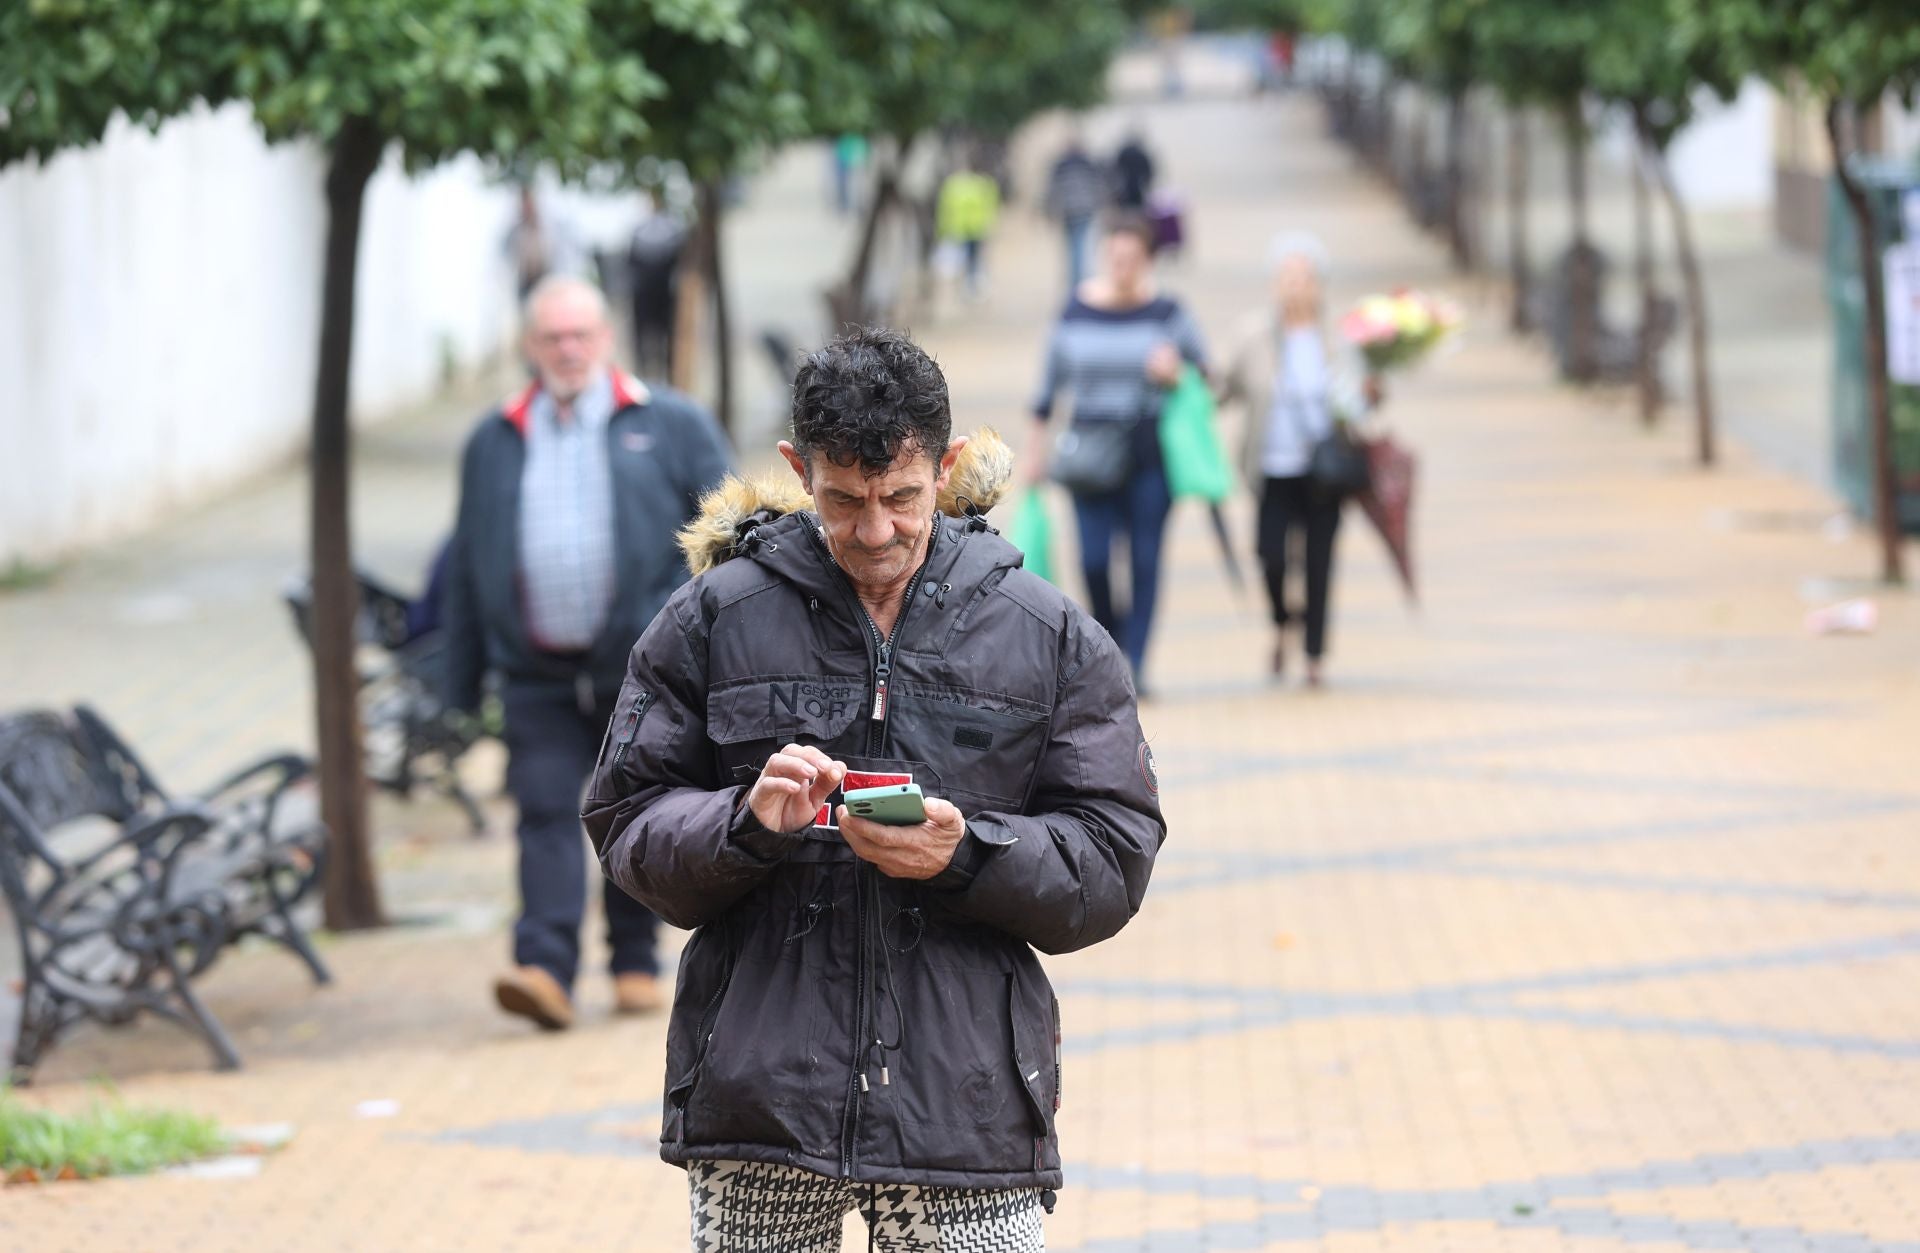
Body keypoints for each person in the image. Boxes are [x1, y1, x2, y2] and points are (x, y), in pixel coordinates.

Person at [582, 326, 1164, 1252]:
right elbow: (627, 816)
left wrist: (967, 853)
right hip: (760, 1094)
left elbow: (1115, 850)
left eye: (901, 496)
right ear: (796, 467)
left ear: (950, 465)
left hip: (965, 1100)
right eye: (843, 500)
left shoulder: (1045, 632)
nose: (876, 530)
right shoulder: (713, 617)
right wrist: (745, 823)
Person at [442, 275, 734, 1029]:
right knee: (542, 807)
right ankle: (544, 964)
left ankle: (633, 959)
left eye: (580, 335)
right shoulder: (493, 440)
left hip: (641, 669)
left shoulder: (668, 423)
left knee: (627, 807)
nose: (567, 349)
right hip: (534, 670)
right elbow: (470, 561)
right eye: (552, 337)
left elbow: (733, 542)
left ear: (606, 338)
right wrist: (460, 680)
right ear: (529, 347)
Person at [1025, 212, 1207, 694]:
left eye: (1133, 258)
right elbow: (1046, 393)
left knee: (1146, 559)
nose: (1123, 265)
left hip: (1150, 454)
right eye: (1115, 256)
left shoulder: (1168, 313)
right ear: (1105, 255)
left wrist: (1178, 374)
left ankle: (1138, 661)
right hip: (1089, 455)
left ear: (1148, 260)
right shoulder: (1074, 312)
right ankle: (1114, 641)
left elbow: (1209, 378)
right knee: (1094, 561)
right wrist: (1034, 457)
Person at [1217, 234, 1377, 687]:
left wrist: (1372, 393)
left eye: (1305, 278)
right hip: (1272, 468)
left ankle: (1313, 655)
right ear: (1275, 284)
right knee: (1270, 556)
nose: (1296, 286)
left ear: (1319, 286)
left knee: (1320, 560)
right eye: (1288, 277)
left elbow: (1360, 402)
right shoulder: (1254, 335)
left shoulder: (1341, 339)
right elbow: (1223, 386)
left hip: (1326, 470)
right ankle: (1282, 620)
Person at [627, 194, 687, 379]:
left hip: (663, 293)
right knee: (643, 339)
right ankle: (644, 371)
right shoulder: (640, 229)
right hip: (645, 293)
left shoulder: (672, 229)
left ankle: (666, 372)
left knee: (666, 338)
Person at [1043, 131, 1109, 291]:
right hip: (1085, 209)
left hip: (1068, 210)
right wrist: (1100, 204)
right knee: (1081, 244)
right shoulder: (1088, 163)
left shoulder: (1061, 165)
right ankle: (1081, 282)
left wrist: (1049, 210)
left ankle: (1076, 283)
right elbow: (1098, 186)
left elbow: (1053, 189)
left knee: (1072, 246)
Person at [935, 153, 1002, 301]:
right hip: (967, 229)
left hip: (967, 229)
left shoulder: (955, 183)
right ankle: (967, 287)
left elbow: (945, 207)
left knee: (970, 260)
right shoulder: (982, 184)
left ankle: (969, 287)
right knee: (968, 260)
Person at [1111, 129, 1156, 211]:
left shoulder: (1123, 153)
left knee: (1126, 214)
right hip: (1137, 190)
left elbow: (1115, 171)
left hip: (1124, 191)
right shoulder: (1141, 154)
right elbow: (1149, 173)